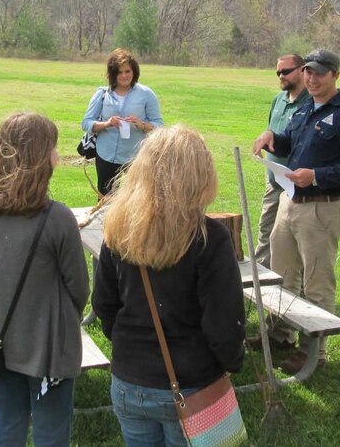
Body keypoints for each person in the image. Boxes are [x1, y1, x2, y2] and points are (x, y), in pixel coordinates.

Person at [93, 125, 245, 447]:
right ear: (199, 175)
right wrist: (232, 362)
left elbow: (104, 306)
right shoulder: (210, 238)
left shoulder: (119, 228)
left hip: (128, 380)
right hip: (192, 382)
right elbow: (224, 323)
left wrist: (130, 346)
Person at [0, 113, 90, 447]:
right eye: (53, 147)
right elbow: (80, 287)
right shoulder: (57, 218)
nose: (57, 154)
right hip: (48, 347)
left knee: (7, 423)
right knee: (51, 430)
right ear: (39, 156)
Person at [251, 49, 340, 374]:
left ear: (335, 75)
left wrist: (316, 176)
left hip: (321, 208)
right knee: (282, 274)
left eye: (319, 73)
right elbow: (291, 143)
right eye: (308, 73)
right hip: (289, 202)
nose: (312, 79)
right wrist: (273, 137)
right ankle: (280, 336)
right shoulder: (306, 110)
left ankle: (313, 353)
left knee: (317, 282)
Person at [80, 49, 164, 196]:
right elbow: (86, 123)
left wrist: (142, 125)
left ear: (134, 71)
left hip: (135, 157)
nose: (124, 76)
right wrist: (107, 124)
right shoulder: (102, 94)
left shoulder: (147, 94)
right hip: (106, 155)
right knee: (106, 200)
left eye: (127, 71)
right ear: (113, 74)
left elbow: (159, 125)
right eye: (119, 72)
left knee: (137, 200)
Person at [253, 53, 311, 267]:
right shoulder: (279, 99)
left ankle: (299, 291)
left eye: (286, 71)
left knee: (296, 239)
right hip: (274, 180)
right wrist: (265, 136)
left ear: (303, 70)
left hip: (297, 185)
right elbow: (274, 130)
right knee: (265, 232)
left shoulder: (312, 103)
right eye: (278, 72)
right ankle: (259, 284)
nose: (281, 76)